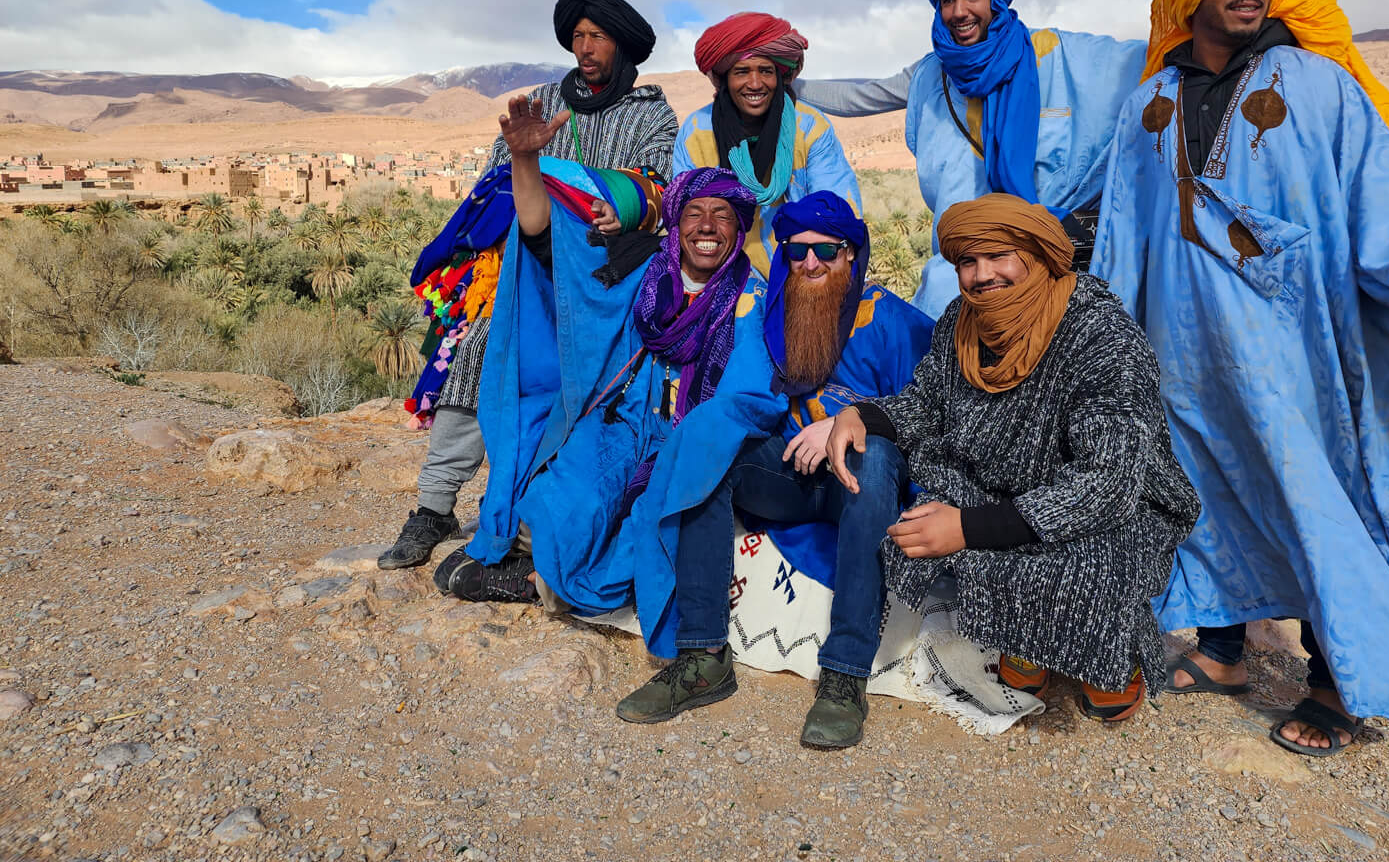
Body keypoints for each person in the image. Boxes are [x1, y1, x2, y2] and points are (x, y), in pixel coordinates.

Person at [1091, 0, 1389, 755]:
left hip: (1289, 344)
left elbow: (1379, 184)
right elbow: (1123, 226)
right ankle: (1226, 651)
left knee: (1319, 493)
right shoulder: (1149, 103)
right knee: (1200, 491)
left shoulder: (1317, 84)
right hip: (1178, 346)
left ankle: (1338, 680)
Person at [824, 194, 1200, 722]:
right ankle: (1026, 640)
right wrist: (865, 417)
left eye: (998, 257)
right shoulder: (962, 320)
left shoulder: (1100, 335)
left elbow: (1109, 479)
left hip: (1108, 501)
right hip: (999, 482)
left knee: (1087, 562)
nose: (981, 276)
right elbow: (928, 405)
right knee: (936, 517)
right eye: (967, 262)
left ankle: (1110, 660)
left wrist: (969, 528)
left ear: (1039, 256)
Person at [434, 94, 780, 647]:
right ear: (676, 223)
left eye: (722, 216)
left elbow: (744, 398)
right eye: (694, 214)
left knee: (655, 521)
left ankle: (544, 585)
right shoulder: (644, 270)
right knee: (557, 504)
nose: (707, 227)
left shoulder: (752, 300)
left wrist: (691, 445)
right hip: (624, 420)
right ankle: (540, 562)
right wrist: (526, 162)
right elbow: (547, 243)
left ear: (739, 228)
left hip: (691, 438)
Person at [616, 192, 934, 749]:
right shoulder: (773, 314)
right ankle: (702, 656)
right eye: (798, 253)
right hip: (792, 474)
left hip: (864, 485)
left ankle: (844, 675)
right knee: (711, 449)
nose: (811, 265)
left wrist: (844, 421)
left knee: (875, 453)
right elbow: (745, 393)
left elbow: (933, 413)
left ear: (851, 255)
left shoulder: (892, 321)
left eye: (827, 251)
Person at [380, 0, 678, 571]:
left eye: (598, 37)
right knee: (479, 357)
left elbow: (658, 189)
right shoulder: (539, 103)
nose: (586, 47)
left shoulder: (651, 114)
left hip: (608, 279)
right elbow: (498, 182)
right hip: (528, 273)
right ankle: (434, 506)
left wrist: (621, 202)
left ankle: (543, 517)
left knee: (606, 388)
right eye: (578, 37)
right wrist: (530, 165)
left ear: (622, 47)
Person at [792, 0, 1147, 314]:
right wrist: (787, 84)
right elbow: (864, 96)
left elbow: (1132, 64)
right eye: (947, 0)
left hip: (1039, 254)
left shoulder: (1051, 55)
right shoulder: (932, 73)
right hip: (958, 267)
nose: (959, 12)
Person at [674, 12, 860, 277]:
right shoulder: (696, 131)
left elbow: (837, 212)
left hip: (804, 270)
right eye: (741, 72)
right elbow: (687, 218)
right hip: (719, 272)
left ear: (779, 76)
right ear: (724, 78)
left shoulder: (809, 128)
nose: (755, 83)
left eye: (765, 71)